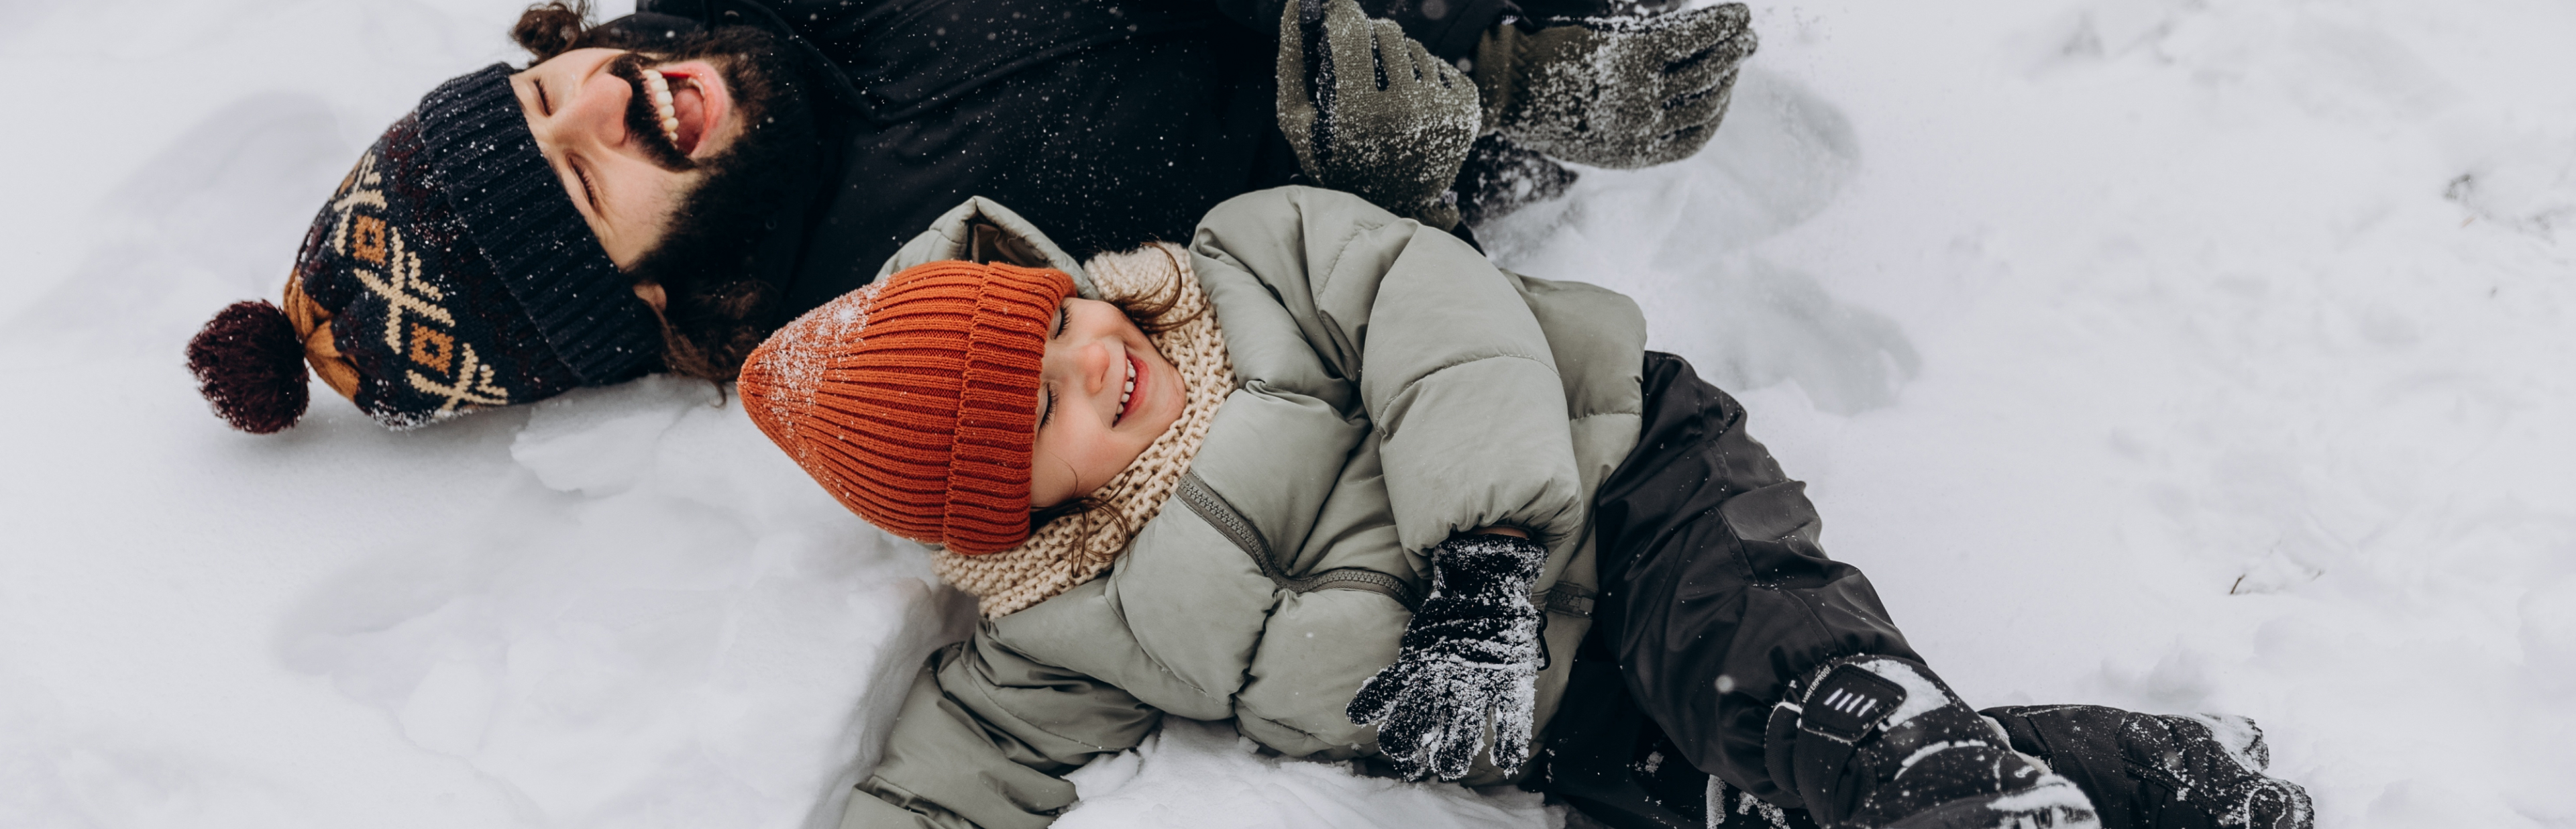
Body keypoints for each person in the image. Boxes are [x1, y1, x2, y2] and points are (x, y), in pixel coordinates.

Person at [730, 187, 2316, 829]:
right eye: (1045, 407)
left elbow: (1443, 316)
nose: (1096, 359)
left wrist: (1486, 565)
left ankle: (1963, 794)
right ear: (994, 513)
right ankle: (2164, 775)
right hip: (1552, 726)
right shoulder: (1059, 628)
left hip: (1630, 489)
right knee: (1750, 804)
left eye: (1058, 324)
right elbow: (966, 767)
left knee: (1772, 680)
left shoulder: (1250, 265)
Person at [182, 0, 1757, 433]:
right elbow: (1268, 352)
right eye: (591, 184)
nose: (611, 102)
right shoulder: (914, 305)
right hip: (1439, 69)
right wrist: (1459, 139)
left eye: (550, 98)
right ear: (659, 295)